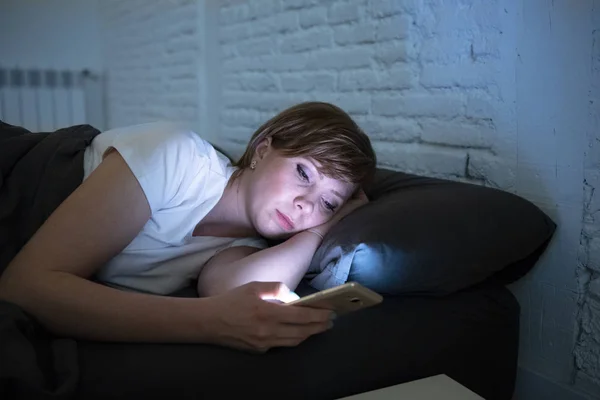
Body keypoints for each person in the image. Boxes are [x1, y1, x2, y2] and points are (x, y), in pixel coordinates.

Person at [0, 101, 376, 353]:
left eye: (328, 202)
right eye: (303, 172)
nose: (306, 204)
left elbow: (240, 290)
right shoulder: (178, 157)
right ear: (262, 150)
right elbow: (24, 285)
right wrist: (210, 322)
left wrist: (318, 230)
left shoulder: (250, 248)